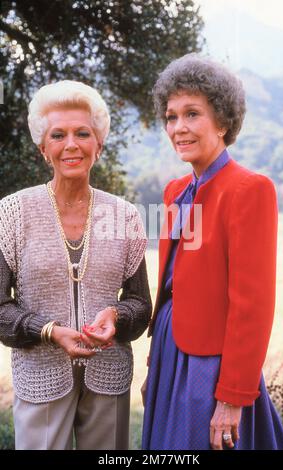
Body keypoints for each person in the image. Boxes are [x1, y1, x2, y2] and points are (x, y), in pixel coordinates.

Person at [141, 54, 283, 450]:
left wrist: (232, 396)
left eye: (193, 114)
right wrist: (155, 362)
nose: (179, 127)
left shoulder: (250, 189)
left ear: (223, 122)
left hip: (211, 362)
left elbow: (252, 305)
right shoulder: (175, 192)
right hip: (169, 349)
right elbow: (173, 282)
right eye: (171, 117)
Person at [0, 80, 152, 450]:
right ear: (43, 148)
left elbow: (141, 304)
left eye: (83, 133)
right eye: (58, 135)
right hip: (40, 379)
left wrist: (115, 317)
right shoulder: (12, 213)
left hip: (109, 375)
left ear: (98, 145)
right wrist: (50, 330)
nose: (71, 144)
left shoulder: (125, 215)